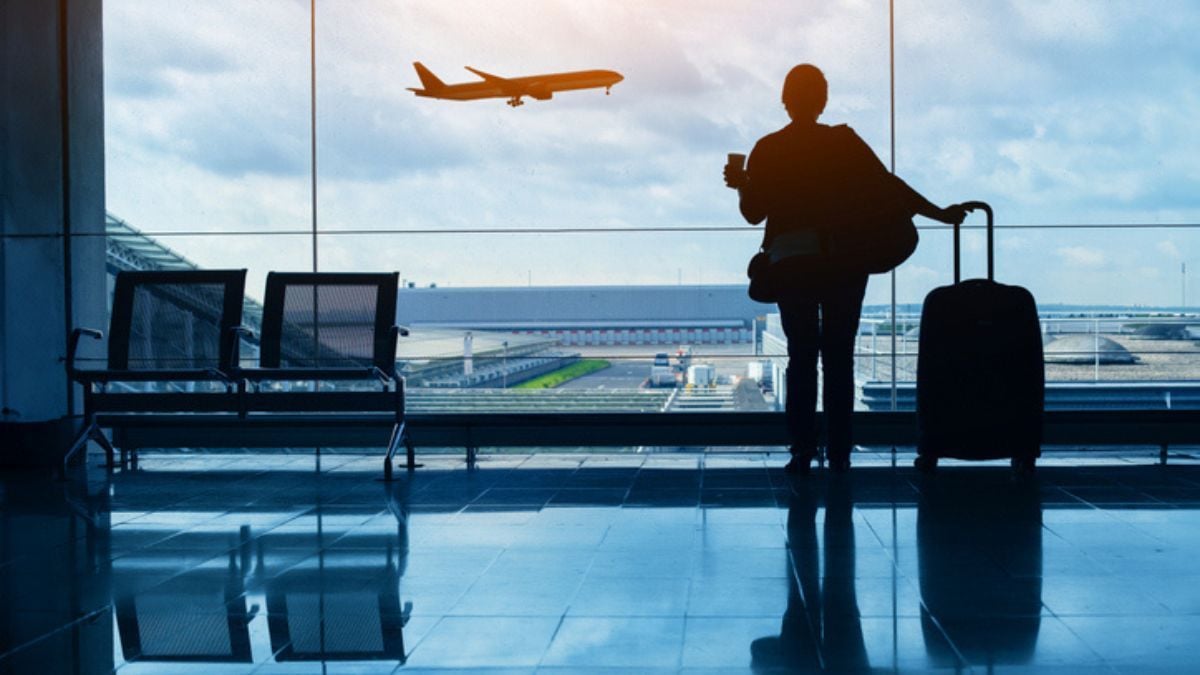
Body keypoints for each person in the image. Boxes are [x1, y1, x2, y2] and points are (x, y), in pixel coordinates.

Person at [725, 64, 966, 474]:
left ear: (785, 100)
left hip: (791, 262)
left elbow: (752, 214)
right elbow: (889, 185)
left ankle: (801, 450)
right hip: (843, 261)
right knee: (839, 357)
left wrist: (743, 182)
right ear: (823, 99)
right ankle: (840, 451)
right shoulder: (843, 142)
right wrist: (938, 214)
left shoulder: (768, 148)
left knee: (801, 357)